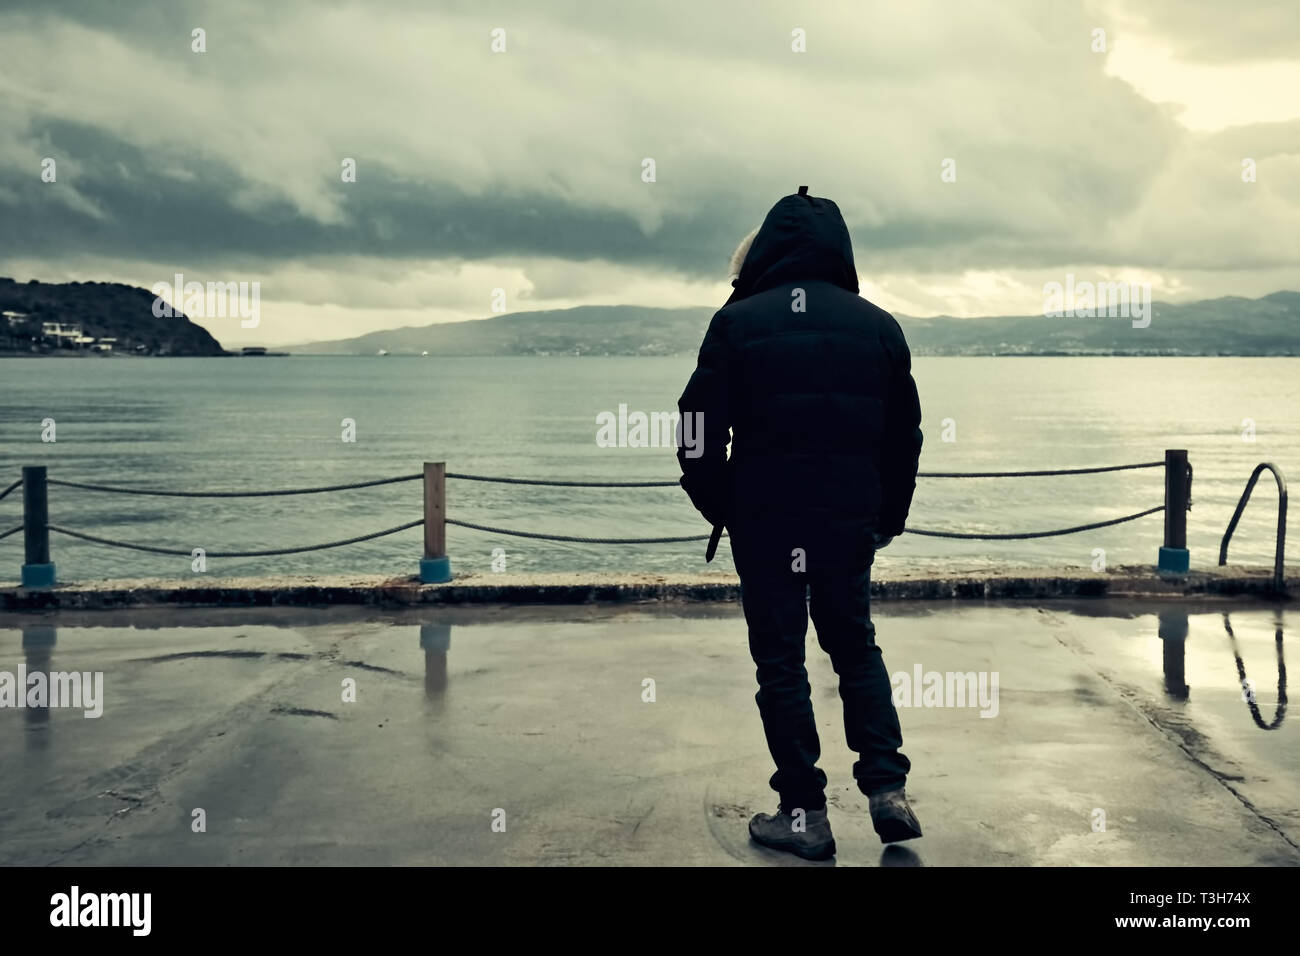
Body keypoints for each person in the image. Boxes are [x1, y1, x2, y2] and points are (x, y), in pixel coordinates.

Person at [676, 187, 924, 861]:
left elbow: (697, 429)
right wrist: (888, 517)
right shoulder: (879, 327)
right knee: (854, 645)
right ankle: (886, 788)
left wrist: (721, 504)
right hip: (847, 520)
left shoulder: (738, 323)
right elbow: (904, 438)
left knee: (780, 661)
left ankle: (804, 813)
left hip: (765, 521)